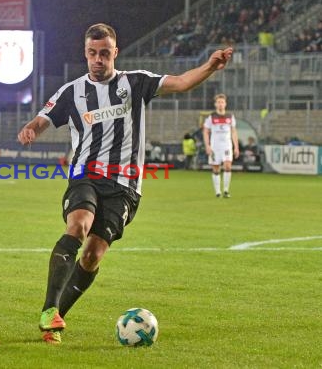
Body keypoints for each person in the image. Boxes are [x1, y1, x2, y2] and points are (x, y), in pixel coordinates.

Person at [17, 23, 233, 344]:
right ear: (86, 53)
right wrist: (32, 129)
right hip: (85, 175)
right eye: (93, 53)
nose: (98, 60)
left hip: (124, 187)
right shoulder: (72, 92)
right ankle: (49, 309)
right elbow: (43, 118)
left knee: (92, 256)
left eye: (105, 53)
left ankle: (54, 319)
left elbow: (181, 83)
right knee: (78, 225)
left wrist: (210, 66)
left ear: (114, 52)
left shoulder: (135, 83)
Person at [203, 94, 239, 198]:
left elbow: (234, 132)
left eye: (222, 102)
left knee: (228, 166)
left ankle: (226, 190)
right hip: (215, 147)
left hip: (227, 146)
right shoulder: (211, 117)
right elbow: (205, 131)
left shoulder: (230, 117)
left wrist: (236, 146)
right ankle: (218, 191)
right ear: (215, 104)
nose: (220, 104)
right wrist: (207, 146)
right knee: (216, 168)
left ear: (225, 104)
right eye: (218, 102)